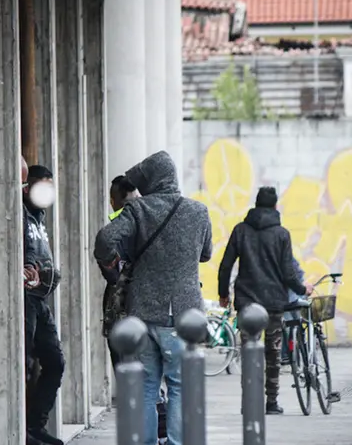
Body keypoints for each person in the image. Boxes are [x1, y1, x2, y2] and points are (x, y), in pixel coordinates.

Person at [94, 150, 213, 445]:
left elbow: (105, 240)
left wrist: (113, 263)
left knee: (146, 386)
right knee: (180, 385)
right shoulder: (198, 211)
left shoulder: (138, 210)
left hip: (142, 313)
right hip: (183, 316)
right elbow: (206, 254)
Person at [217, 186, 313, 415]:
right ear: (275, 206)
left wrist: (223, 294)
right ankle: (271, 403)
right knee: (273, 352)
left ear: (256, 204)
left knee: (250, 350)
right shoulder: (282, 234)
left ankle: (249, 401)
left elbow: (226, 265)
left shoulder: (240, 230)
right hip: (273, 303)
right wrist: (302, 289)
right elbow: (288, 272)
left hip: (248, 302)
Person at [22, 165, 64, 445]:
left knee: (55, 363)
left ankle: (36, 427)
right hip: (24, 299)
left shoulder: (39, 217)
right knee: (21, 363)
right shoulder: (18, 213)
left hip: (41, 300)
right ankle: (21, 430)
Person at [99, 174, 140, 369]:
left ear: (112, 202)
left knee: (123, 368)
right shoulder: (142, 229)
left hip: (119, 307)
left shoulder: (110, 234)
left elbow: (110, 274)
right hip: (136, 308)